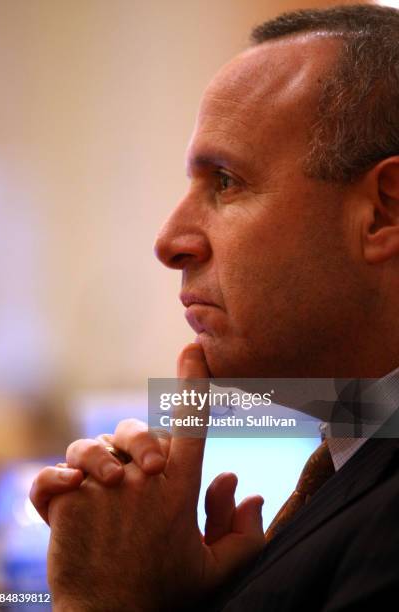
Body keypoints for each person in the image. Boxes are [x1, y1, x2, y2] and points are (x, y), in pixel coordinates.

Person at [30, 5, 399, 610]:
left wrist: (103, 597)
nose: (170, 241)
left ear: (383, 211)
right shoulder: (362, 457)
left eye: (225, 181)